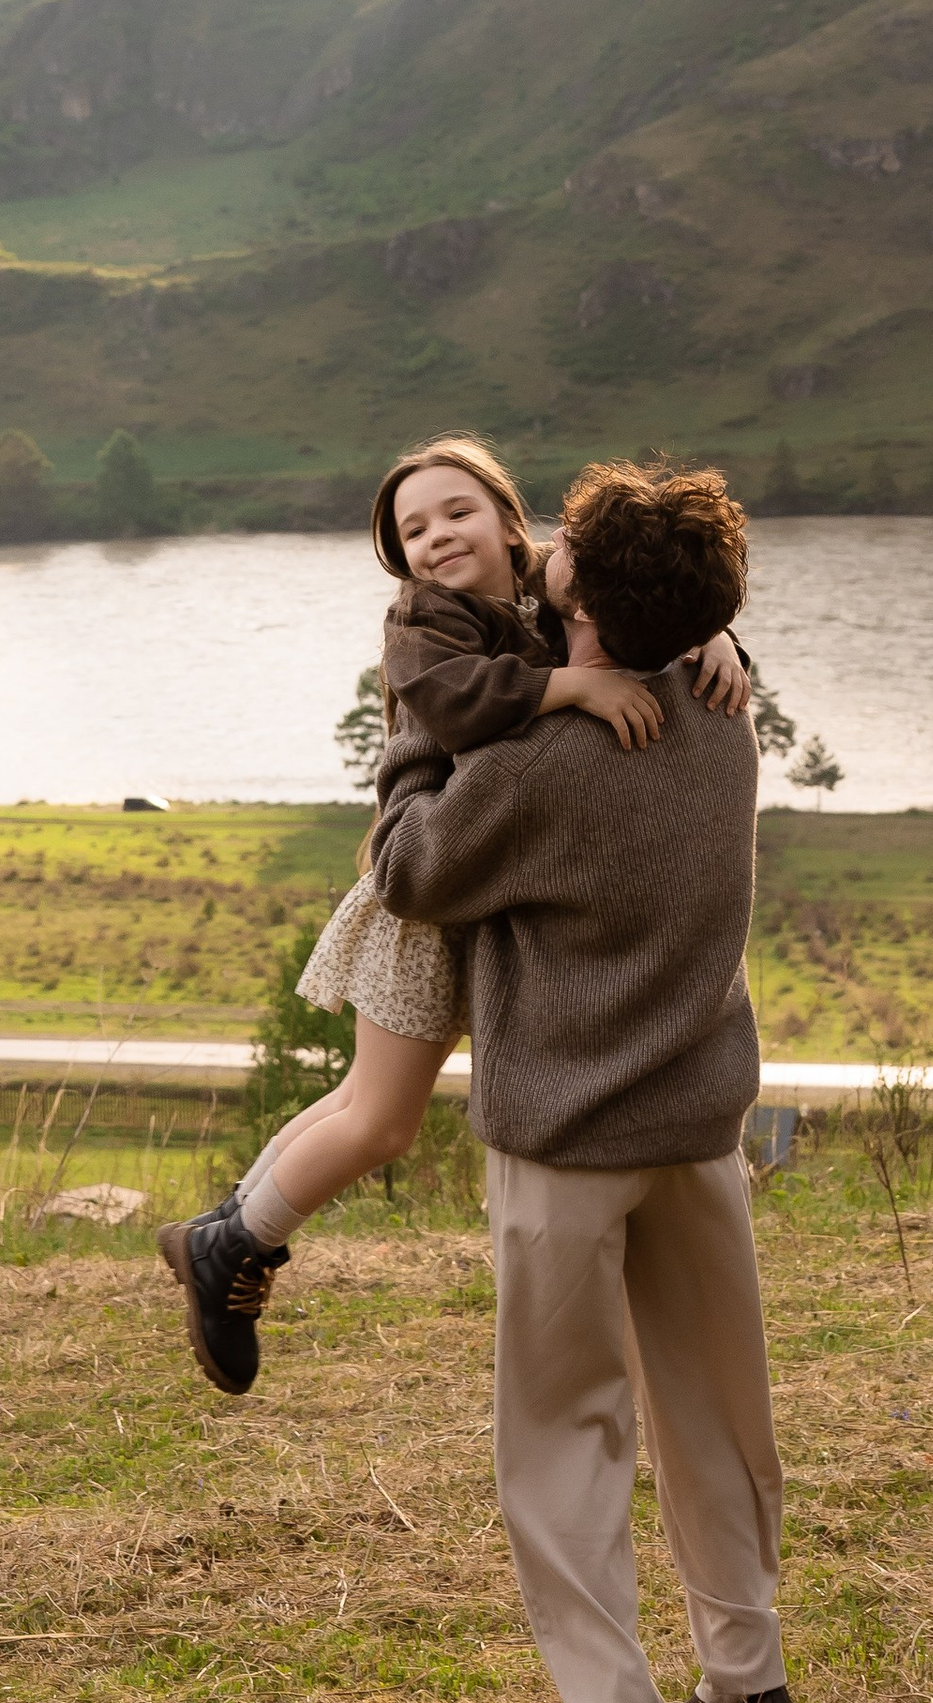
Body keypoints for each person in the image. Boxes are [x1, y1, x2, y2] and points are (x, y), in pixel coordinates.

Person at [156, 435, 748, 1398]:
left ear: (516, 524)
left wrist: (712, 639)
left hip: (500, 877)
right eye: (412, 530)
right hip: (429, 907)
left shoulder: (549, 586)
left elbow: (645, 600)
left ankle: (229, 1232)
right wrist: (568, 684)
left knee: (361, 1104)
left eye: (457, 512)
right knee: (381, 1121)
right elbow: (457, 700)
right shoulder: (423, 621)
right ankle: (236, 1245)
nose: (435, 538)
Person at [369, 457, 790, 1703]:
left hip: (564, 1144)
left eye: (564, 550)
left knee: (566, 1438)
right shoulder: (724, 718)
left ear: (582, 607)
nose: (542, 546)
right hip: (698, 1129)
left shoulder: (536, 765)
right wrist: (719, 639)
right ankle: (748, 1678)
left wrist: (414, 729)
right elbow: (670, 633)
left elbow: (407, 867)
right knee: (715, 1410)